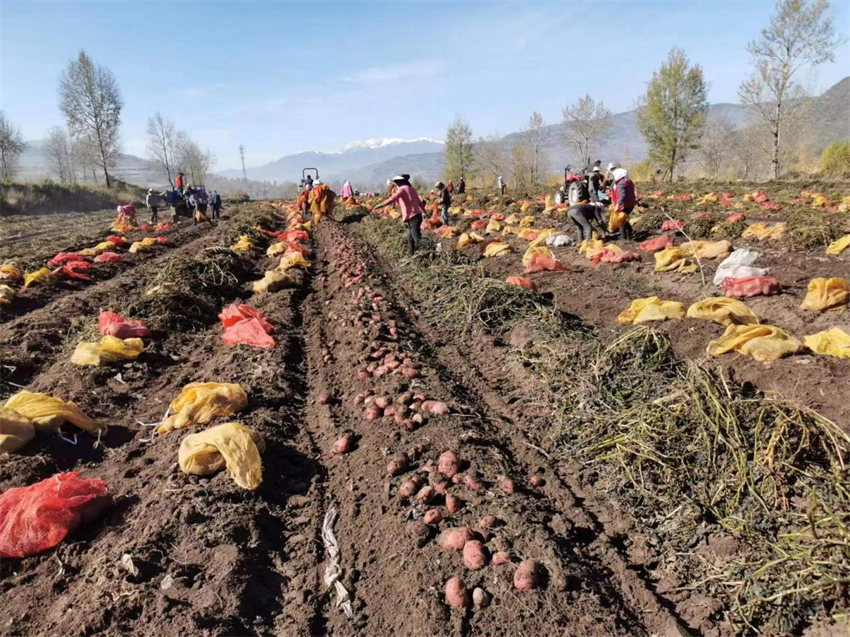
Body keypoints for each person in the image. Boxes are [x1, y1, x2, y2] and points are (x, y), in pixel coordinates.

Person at [372, 175, 425, 255]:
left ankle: (434, 246)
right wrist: (424, 212)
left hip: (413, 217)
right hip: (417, 216)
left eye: (396, 183)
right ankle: (410, 254)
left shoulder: (402, 189)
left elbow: (393, 198)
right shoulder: (412, 189)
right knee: (410, 239)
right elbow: (419, 202)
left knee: (417, 239)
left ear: (400, 182)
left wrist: (381, 204)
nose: (396, 185)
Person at [611, 168, 636, 240]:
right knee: (624, 219)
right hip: (631, 204)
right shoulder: (629, 181)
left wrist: (618, 204)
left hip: (624, 205)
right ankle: (630, 232)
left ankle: (623, 238)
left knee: (620, 221)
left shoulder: (621, 183)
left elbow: (622, 195)